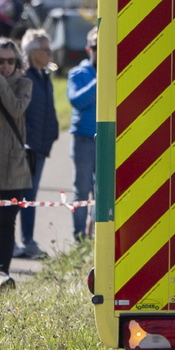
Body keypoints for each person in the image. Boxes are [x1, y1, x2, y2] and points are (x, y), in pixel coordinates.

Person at [0, 37, 33, 292]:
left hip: (14, 166)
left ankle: (3, 272)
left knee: (7, 222)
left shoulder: (23, 83)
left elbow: (15, 110)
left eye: (10, 61)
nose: (5, 66)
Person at [15, 28, 59, 259]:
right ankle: (13, 243)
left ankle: (27, 241)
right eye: (45, 49)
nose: (50, 53)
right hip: (25, 148)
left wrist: (52, 134)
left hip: (40, 148)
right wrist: (27, 138)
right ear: (33, 52)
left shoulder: (44, 76)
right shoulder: (22, 77)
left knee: (30, 196)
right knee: (17, 195)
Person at [68, 27, 97, 241]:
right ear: (89, 49)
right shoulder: (78, 73)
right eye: (97, 47)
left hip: (107, 140)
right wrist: (100, 82)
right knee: (82, 190)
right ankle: (79, 237)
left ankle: (96, 235)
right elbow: (76, 100)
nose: (101, 52)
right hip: (84, 140)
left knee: (103, 191)